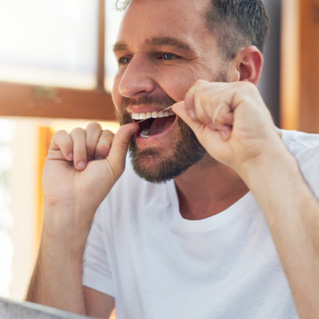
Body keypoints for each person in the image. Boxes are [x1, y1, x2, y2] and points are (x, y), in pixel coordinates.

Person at [26, 0, 319, 318]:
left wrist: (263, 162)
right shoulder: (115, 189)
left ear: (243, 71)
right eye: (125, 59)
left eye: (167, 54)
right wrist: (64, 217)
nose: (128, 85)